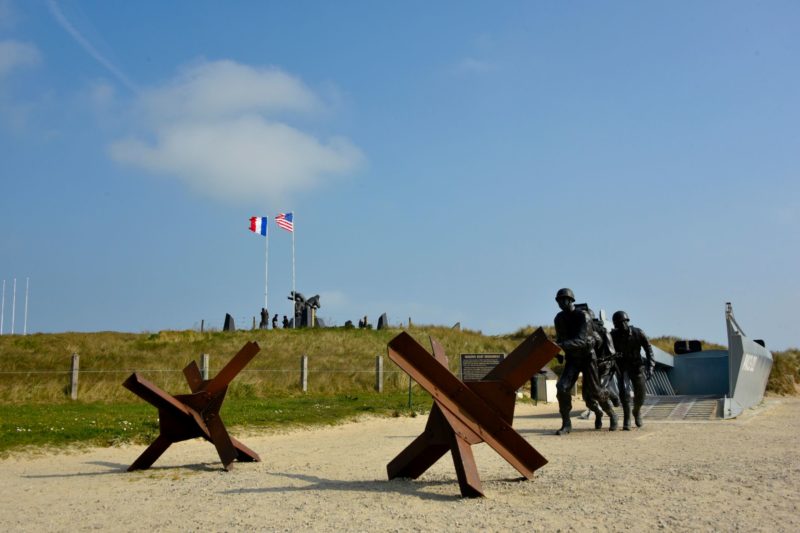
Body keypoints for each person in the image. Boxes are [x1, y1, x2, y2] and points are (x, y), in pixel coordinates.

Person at [553, 288, 617, 435]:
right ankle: (566, 424)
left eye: (564, 299)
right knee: (562, 387)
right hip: (572, 359)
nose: (561, 303)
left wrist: (560, 345)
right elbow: (561, 340)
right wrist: (555, 351)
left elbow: (582, 341)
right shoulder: (559, 318)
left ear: (571, 300)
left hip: (588, 358)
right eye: (559, 300)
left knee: (595, 392)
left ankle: (612, 413)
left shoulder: (583, 316)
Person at [611, 310, 655, 430]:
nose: (620, 326)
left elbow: (649, 350)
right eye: (617, 324)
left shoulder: (638, 333)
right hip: (622, 367)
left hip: (637, 366)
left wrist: (650, 367)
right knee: (624, 392)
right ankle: (627, 418)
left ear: (627, 321)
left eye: (621, 323)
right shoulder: (613, 335)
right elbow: (609, 351)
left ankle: (636, 411)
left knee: (640, 395)